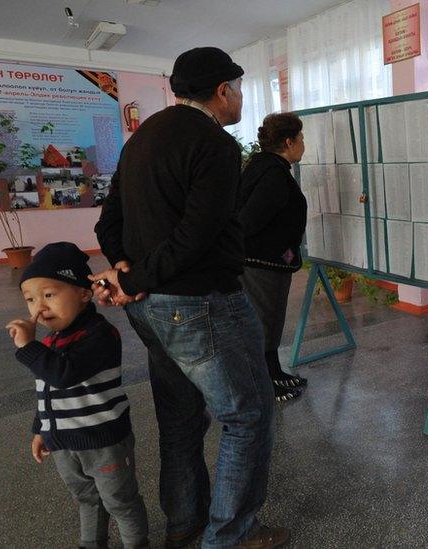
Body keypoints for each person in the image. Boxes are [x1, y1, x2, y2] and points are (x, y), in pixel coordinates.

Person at [92, 47, 287, 549]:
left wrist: (122, 270)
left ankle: (184, 523)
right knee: (249, 413)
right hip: (200, 303)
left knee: (179, 416)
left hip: (148, 310)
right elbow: (197, 234)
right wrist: (135, 279)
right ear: (223, 91)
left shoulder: (142, 139)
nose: (241, 98)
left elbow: (109, 221)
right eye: (239, 88)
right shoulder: (215, 144)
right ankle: (231, 535)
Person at [6, 242, 149, 549]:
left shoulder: (99, 335)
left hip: (103, 441)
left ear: (84, 294)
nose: (38, 308)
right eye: (30, 299)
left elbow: (64, 375)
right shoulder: (52, 340)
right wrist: (41, 429)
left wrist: (29, 348)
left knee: (120, 502)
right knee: (86, 499)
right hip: (64, 443)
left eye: (49, 295)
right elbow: (49, 388)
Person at [238, 113, 308, 402]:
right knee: (264, 320)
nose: (304, 144)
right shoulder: (273, 174)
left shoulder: (265, 165)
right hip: (261, 263)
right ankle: (266, 382)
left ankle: (274, 371)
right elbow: (249, 220)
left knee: (271, 318)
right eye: (301, 138)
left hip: (267, 260)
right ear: (289, 141)